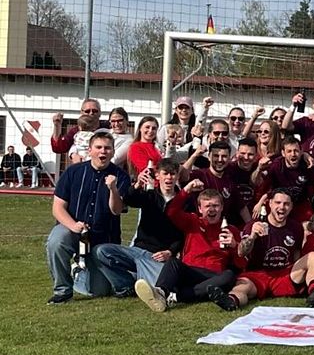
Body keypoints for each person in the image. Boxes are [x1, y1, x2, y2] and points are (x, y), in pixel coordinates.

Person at [45, 131, 131, 304]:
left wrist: (113, 189)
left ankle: (79, 270)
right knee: (56, 241)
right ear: (90, 150)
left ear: (113, 152)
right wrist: (73, 225)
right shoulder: (73, 172)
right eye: (98, 147)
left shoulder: (121, 177)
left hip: (102, 239)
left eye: (107, 148)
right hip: (73, 229)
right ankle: (62, 290)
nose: (103, 152)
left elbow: (116, 210)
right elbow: (57, 207)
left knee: (99, 291)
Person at [133, 180, 241, 312]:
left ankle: (176, 297)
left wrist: (235, 246)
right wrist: (186, 190)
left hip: (212, 276)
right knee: (173, 262)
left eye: (215, 206)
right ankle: (161, 292)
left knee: (229, 276)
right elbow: (171, 211)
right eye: (207, 206)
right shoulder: (193, 221)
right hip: (190, 271)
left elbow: (241, 263)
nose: (212, 210)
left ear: (222, 207)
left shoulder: (231, 230)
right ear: (200, 209)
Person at [208, 188, 314, 311]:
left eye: (286, 204)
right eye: (278, 203)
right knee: (242, 287)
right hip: (257, 274)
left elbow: (296, 254)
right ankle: (231, 301)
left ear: (291, 206)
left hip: (284, 275)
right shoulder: (254, 225)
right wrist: (252, 236)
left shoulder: (296, 227)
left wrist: (302, 276)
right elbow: (241, 252)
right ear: (270, 203)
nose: (282, 207)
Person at [93, 158, 184, 297]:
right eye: (165, 174)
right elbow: (130, 200)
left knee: (162, 289)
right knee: (101, 251)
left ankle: (141, 281)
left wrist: (170, 252)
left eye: (172, 174)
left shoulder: (183, 201)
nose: (169, 178)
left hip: (158, 257)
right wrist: (137, 185)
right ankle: (125, 285)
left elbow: (184, 233)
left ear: (177, 176)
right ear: (158, 175)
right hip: (137, 250)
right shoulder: (149, 196)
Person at [254, 136, 314, 222]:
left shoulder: (308, 164)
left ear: (301, 152)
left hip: (300, 203)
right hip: (280, 203)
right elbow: (267, 189)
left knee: (307, 226)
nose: (293, 154)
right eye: (289, 151)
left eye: (296, 151)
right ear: (283, 153)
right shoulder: (276, 166)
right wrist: (260, 203)